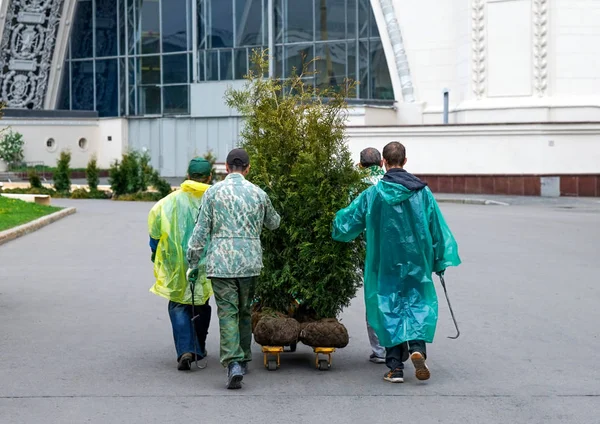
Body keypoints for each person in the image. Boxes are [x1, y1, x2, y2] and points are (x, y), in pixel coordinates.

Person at [332, 142, 461, 384]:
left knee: (388, 307)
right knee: (417, 303)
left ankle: (395, 367)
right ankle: (418, 349)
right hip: (416, 261)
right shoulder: (423, 193)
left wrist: (334, 220)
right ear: (405, 160)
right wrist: (440, 260)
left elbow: (346, 224)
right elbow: (437, 228)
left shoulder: (372, 195)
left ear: (384, 163)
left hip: (385, 263)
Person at [187, 148, 280, 390]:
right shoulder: (258, 193)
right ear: (248, 168)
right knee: (245, 310)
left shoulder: (213, 193)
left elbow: (200, 231)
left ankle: (234, 363)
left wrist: (193, 261)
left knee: (227, 312)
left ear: (226, 168)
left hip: (221, 263)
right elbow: (274, 223)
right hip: (249, 262)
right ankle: (244, 357)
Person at [148, 157, 214, 371]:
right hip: (205, 260)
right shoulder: (214, 200)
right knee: (201, 301)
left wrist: (155, 253)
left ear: (187, 176)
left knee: (178, 304)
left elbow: (155, 235)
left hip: (175, 262)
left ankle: (186, 348)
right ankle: (199, 347)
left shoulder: (167, 202)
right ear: (210, 177)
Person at [357, 147, 386, 364]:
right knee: (395, 295)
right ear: (382, 163)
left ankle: (379, 349)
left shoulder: (357, 186)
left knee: (373, 297)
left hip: (369, 250)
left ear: (360, 165)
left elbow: (351, 219)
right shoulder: (393, 182)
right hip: (396, 249)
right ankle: (398, 344)